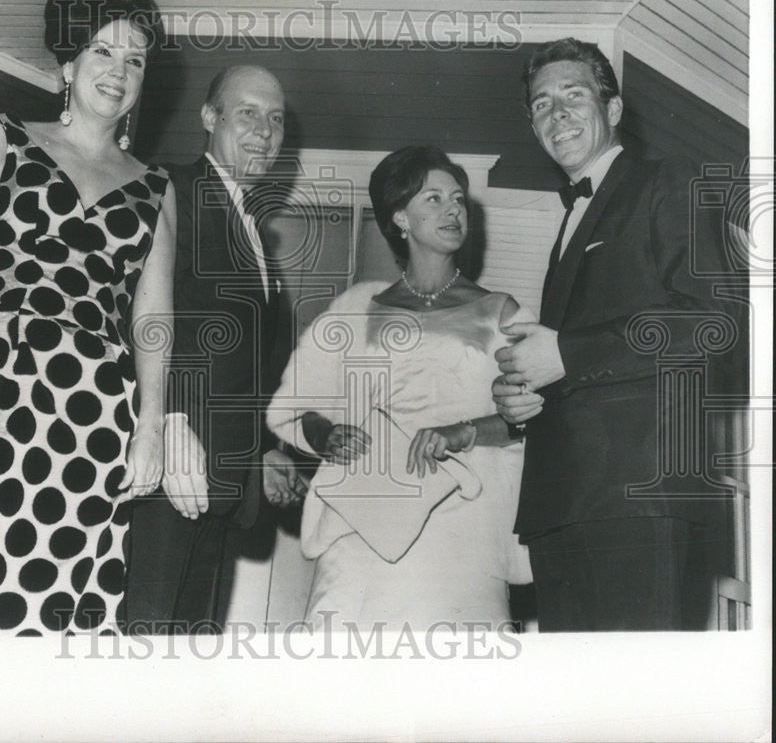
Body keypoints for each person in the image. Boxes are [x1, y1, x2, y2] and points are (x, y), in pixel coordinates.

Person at [0, 0, 176, 636]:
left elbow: (153, 320)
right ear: (69, 63)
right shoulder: (6, 137)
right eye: (104, 51)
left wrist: (150, 427)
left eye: (134, 59)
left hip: (88, 408)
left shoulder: (155, 187)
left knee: (54, 585)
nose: (119, 70)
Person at [491, 38, 736, 631]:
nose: (558, 113)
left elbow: (711, 324)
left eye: (574, 95)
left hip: (637, 495)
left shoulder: (665, 181)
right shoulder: (573, 216)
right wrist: (525, 398)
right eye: (542, 104)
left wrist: (564, 353)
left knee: (636, 703)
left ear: (615, 110)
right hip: (563, 504)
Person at [267, 146, 532, 629]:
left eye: (458, 199)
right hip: (362, 527)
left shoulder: (502, 313)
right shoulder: (355, 308)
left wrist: (463, 431)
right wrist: (325, 433)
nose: (453, 209)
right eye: (433, 199)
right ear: (399, 219)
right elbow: (298, 407)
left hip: (461, 530)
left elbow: (533, 418)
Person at [124, 66, 304, 633]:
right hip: (166, 476)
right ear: (209, 118)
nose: (264, 131)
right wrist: (173, 421)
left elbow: (237, 366)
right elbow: (139, 317)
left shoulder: (255, 232)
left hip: (224, 489)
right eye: (247, 112)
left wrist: (262, 449)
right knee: (140, 655)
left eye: (275, 119)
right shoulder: (168, 187)